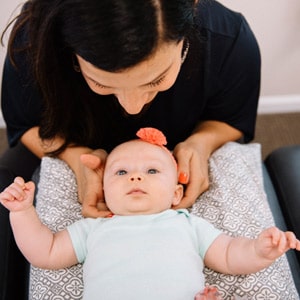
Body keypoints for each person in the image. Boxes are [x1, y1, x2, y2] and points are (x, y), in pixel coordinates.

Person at [0, 0, 261, 298]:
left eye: (157, 80)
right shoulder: (35, 40)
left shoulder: (229, 40)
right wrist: (72, 155)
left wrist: (202, 142)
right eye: (100, 83)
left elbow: (230, 118)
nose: (133, 107)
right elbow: (27, 125)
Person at [1, 128, 299, 300]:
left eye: (152, 170)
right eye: (121, 171)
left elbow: (232, 256)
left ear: (176, 194)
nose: (135, 177)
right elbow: (45, 252)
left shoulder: (187, 224)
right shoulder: (94, 228)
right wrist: (23, 211)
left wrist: (261, 249)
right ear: (103, 191)